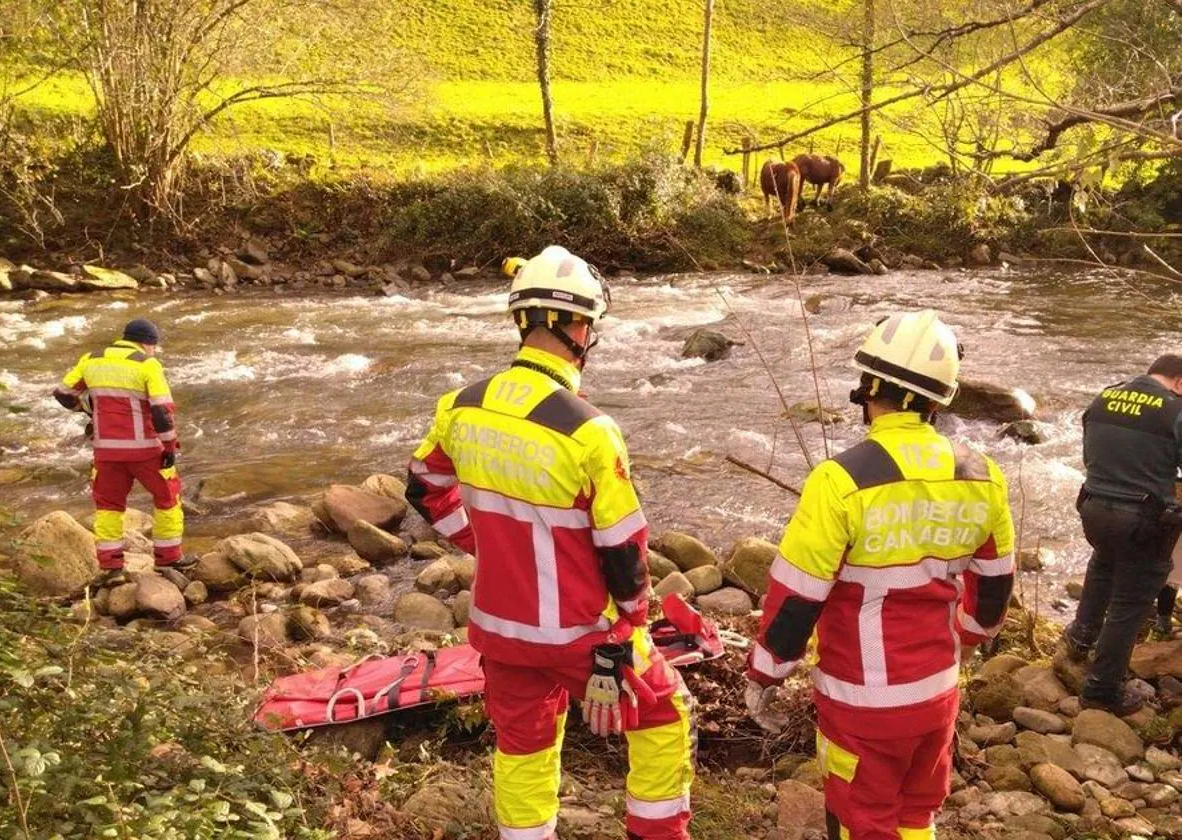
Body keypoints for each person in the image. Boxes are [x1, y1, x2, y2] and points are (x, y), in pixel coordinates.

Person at [406, 246, 694, 840]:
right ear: (578, 327)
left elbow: (424, 490)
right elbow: (622, 548)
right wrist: (628, 631)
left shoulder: (460, 407)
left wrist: (483, 543)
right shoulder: (589, 430)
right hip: (580, 634)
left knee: (523, 747)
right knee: (666, 715)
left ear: (524, 321)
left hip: (500, 629)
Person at [744, 310, 1015, 840]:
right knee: (917, 814)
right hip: (937, 693)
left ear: (868, 387)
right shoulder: (984, 475)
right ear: (941, 399)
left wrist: (765, 673)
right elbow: (993, 598)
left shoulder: (840, 480)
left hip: (861, 701)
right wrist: (962, 641)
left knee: (862, 820)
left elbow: (797, 599)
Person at [1063, 355, 1182, 714]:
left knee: (1103, 563)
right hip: (1143, 519)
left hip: (1093, 508)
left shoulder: (1104, 397)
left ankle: (1081, 636)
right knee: (1131, 604)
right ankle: (1102, 689)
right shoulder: (1174, 410)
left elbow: (1091, 453)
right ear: (1178, 381)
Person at [53, 318, 185, 577]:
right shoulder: (148, 364)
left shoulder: (91, 359)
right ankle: (168, 559)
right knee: (168, 498)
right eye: (154, 346)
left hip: (106, 452)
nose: (154, 351)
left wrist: (89, 411)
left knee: (108, 506)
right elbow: (161, 412)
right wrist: (170, 447)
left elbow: (62, 393)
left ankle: (111, 568)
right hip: (146, 451)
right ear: (146, 344)